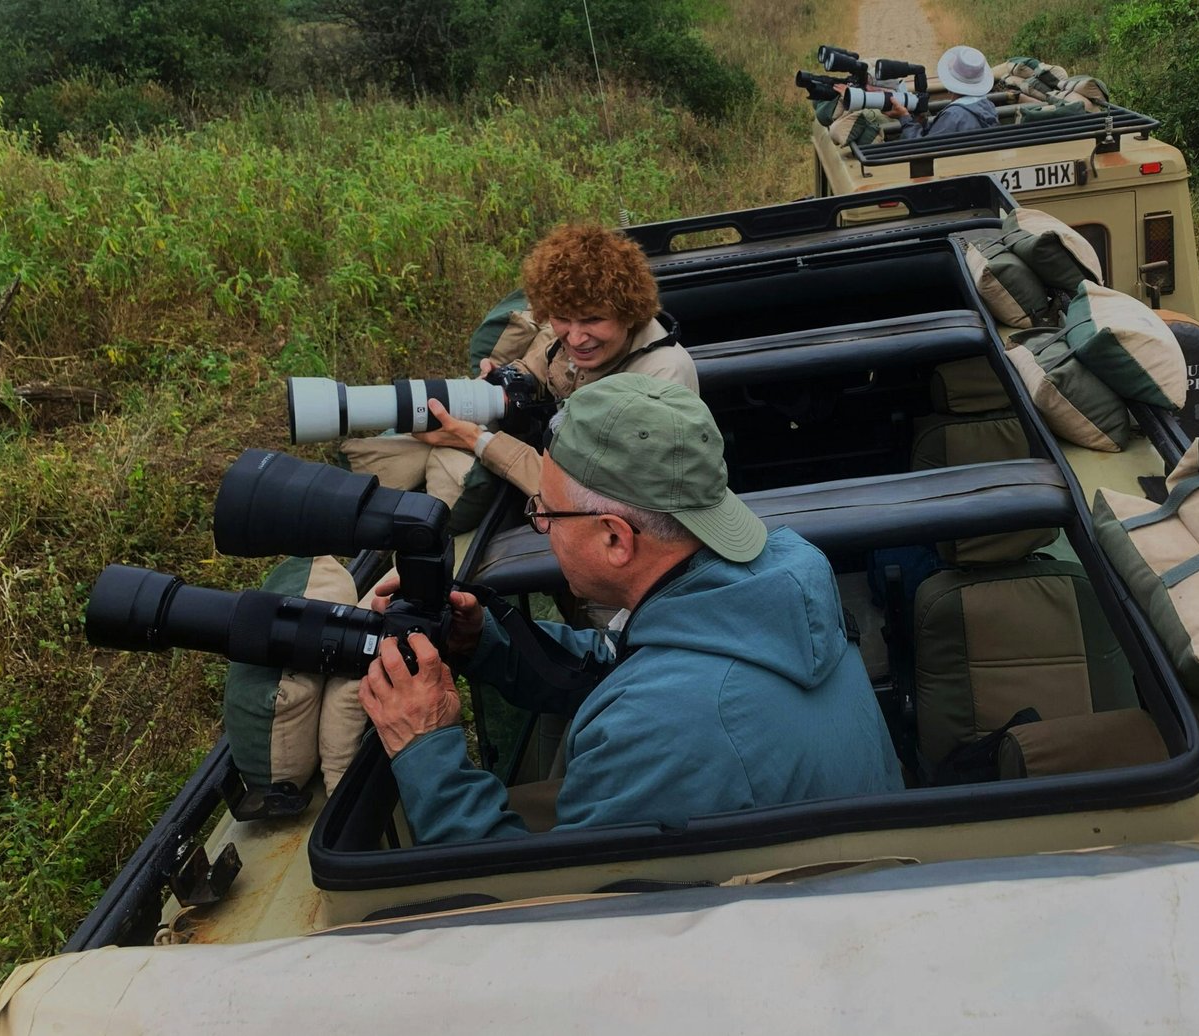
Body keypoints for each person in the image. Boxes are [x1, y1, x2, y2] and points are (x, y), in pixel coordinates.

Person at [358, 375, 905, 844]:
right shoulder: (778, 576)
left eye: (544, 511)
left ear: (616, 539)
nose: (540, 525)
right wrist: (486, 642)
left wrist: (425, 747)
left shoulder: (658, 729)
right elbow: (632, 659)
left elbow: (541, 909)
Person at [409, 224, 697, 497]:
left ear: (629, 312)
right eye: (560, 319)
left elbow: (593, 495)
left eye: (593, 319)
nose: (575, 339)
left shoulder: (661, 379)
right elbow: (535, 368)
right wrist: (504, 378)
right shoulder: (566, 339)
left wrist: (478, 440)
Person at [890, 45, 999, 139]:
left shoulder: (953, 116)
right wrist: (921, 122)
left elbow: (922, 149)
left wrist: (904, 118)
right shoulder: (988, 106)